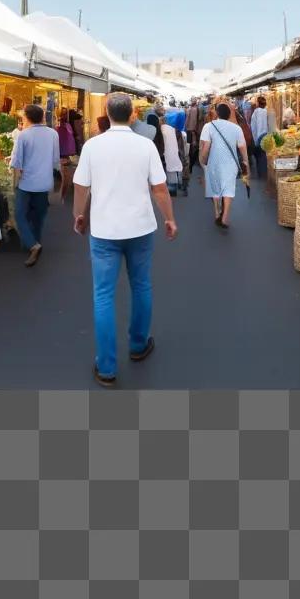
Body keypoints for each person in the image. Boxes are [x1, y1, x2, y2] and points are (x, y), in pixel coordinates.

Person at [73, 92, 178, 387]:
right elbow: (159, 188)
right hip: (140, 227)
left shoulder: (93, 146)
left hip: (105, 230)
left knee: (103, 295)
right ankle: (138, 345)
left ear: (106, 112)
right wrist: (169, 218)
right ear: (132, 114)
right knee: (141, 285)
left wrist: (79, 215)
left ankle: (106, 366)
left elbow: (81, 186)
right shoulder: (144, 145)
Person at [10, 103, 61, 267]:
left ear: (26, 118)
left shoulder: (23, 135)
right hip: (45, 182)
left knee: (20, 215)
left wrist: (15, 181)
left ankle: (33, 245)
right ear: (42, 117)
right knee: (39, 216)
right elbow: (55, 160)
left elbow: (17, 163)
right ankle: (35, 243)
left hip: (26, 183)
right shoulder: (53, 134)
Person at [200, 102, 249, 229]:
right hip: (231, 164)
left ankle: (217, 213)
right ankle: (225, 217)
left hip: (214, 162)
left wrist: (203, 159)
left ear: (217, 114)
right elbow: (242, 147)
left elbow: (206, 147)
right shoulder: (236, 128)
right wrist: (246, 162)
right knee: (228, 189)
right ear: (229, 115)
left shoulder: (209, 126)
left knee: (215, 188)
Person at [156, 106, 184, 196]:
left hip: (164, 153)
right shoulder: (173, 130)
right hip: (174, 153)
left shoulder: (159, 130)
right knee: (175, 166)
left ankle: (171, 189)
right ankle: (177, 185)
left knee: (168, 169)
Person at [56, 109, 78, 205]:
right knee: (64, 176)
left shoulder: (65, 126)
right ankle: (61, 196)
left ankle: (61, 196)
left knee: (65, 176)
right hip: (62, 153)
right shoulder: (60, 127)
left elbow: (70, 139)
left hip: (64, 153)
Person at [250, 95, 271, 179]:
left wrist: (256, 139)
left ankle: (262, 174)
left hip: (259, 136)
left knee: (260, 156)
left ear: (258, 103)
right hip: (266, 135)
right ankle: (264, 173)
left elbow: (256, 126)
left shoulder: (257, 111)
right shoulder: (266, 111)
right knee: (264, 156)